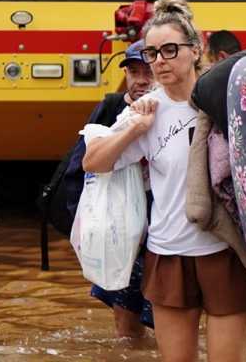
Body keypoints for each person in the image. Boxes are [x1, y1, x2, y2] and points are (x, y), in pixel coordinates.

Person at [83, 0, 246, 362]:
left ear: (195, 50)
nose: (159, 61)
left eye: (169, 50)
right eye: (151, 54)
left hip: (226, 249)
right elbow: (93, 161)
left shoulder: (225, 95)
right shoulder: (147, 108)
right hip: (168, 255)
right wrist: (136, 131)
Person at [85, 40, 155, 339]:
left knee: (172, 323)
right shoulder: (115, 110)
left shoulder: (184, 110)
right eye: (133, 71)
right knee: (126, 330)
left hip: (167, 229)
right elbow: (88, 164)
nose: (140, 80)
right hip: (123, 229)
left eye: (147, 71)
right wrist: (135, 128)